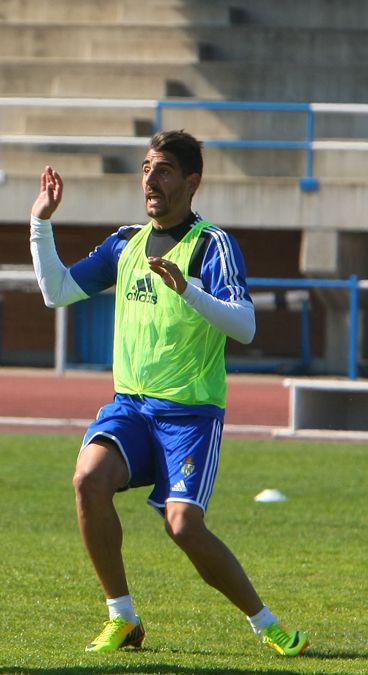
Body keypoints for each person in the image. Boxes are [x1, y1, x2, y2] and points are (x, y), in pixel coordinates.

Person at [28, 130, 308, 656]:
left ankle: (267, 624)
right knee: (87, 479)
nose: (150, 180)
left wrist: (188, 288)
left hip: (190, 415)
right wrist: (40, 222)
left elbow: (245, 325)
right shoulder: (124, 243)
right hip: (131, 408)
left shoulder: (212, 244)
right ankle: (123, 618)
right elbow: (57, 292)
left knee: (183, 526)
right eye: (145, 168)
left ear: (192, 181)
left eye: (163, 170)